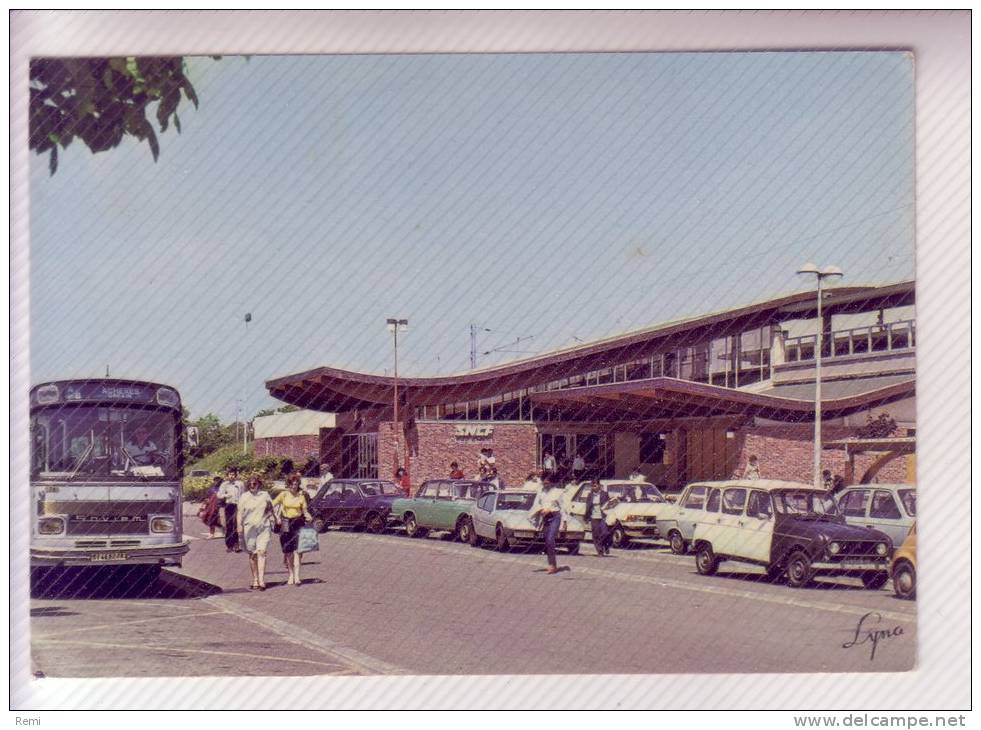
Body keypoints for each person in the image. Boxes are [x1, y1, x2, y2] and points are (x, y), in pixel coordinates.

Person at [273, 473, 313, 587]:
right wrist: (275, 517)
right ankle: (290, 574)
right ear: (288, 484)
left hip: (298, 522)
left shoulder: (301, 496)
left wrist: (308, 516)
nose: (294, 486)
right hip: (285, 522)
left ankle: (297, 576)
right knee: (288, 551)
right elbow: (271, 505)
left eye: (296, 484)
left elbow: (305, 510)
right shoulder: (283, 494)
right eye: (291, 484)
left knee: (298, 550)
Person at [236, 476, 275, 591]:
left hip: (263, 527)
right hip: (249, 528)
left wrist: (268, 518)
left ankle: (262, 580)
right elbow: (239, 512)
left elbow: (270, 509)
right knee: (252, 554)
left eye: (255, 484)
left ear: (259, 484)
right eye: (251, 484)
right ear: (248, 485)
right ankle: (255, 579)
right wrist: (239, 525)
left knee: (262, 552)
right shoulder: (244, 497)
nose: (253, 486)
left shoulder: (265, 495)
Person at [530, 475, 567, 575]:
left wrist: (564, 521)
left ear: (551, 482)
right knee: (547, 541)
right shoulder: (540, 492)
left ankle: (552, 566)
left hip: (555, 516)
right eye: (544, 483)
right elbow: (536, 504)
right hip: (546, 518)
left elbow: (563, 507)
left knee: (550, 538)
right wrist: (539, 510)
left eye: (547, 483)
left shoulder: (557, 492)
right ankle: (552, 564)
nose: (545, 485)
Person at [217, 467, 244, 552]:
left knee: (236, 524)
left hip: (237, 505)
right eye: (230, 474)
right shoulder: (224, 484)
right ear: (227, 475)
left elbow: (243, 494)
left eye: (233, 475)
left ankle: (236, 544)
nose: (232, 476)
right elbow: (219, 495)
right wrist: (225, 495)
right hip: (228, 505)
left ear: (236, 475)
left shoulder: (240, 484)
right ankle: (229, 545)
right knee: (229, 525)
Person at [583, 479, 611, 556]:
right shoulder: (590, 495)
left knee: (605, 533)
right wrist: (586, 517)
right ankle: (600, 551)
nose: (594, 487)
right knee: (596, 535)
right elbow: (587, 507)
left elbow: (609, 505)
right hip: (593, 517)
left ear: (599, 485)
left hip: (603, 517)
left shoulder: (604, 494)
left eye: (595, 485)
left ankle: (605, 545)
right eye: (592, 486)